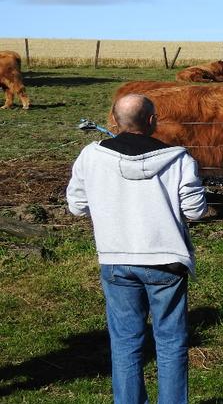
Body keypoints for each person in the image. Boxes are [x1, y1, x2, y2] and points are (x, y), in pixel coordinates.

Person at [66, 94, 207, 404]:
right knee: (170, 342)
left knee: (126, 342)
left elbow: (76, 206)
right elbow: (195, 211)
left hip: (116, 258)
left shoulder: (91, 156)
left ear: (114, 122)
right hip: (167, 261)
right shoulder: (179, 159)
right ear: (152, 121)